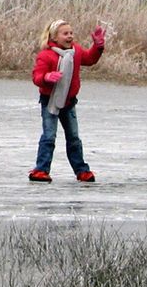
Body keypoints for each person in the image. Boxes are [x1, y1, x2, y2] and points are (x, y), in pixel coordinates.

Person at [28, 19, 105, 183]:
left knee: (74, 138)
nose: (70, 36)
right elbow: (37, 77)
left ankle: (82, 171)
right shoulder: (46, 55)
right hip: (50, 101)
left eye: (71, 33)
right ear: (54, 37)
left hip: (69, 102)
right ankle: (41, 170)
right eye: (65, 33)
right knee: (49, 136)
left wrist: (98, 46)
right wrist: (47, 77)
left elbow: (90, 59)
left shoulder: (75, 51)